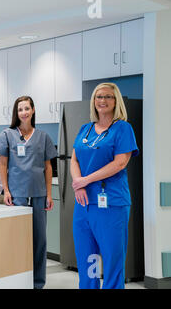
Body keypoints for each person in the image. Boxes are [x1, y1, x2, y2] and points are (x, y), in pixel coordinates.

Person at [70, 82, 139, 289]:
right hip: (84, 204)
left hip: (111, 203)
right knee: (87, 258)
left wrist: (86, 180)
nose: (102, 100)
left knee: (111, 260)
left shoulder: (123, 128)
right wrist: (79, 185)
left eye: (108, 97)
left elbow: (120, 162)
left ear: (116, 101)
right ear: (94, 101)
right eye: (99, 96)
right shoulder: (86, 128)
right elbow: (74, 160)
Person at [0, 96, 57, 289]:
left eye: (27, 108)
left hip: (38, 195)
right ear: (16, 112)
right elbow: (3, 164)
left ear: (33, 110)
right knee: (18, 240)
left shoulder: (43, 137)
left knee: (40, 241)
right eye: (20, 109)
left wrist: (48, 194)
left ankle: (37, 283)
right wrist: (6, 190)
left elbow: (48, 168)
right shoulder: (7, 134)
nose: (24, 112)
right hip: (17, 195)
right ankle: (19, 281)